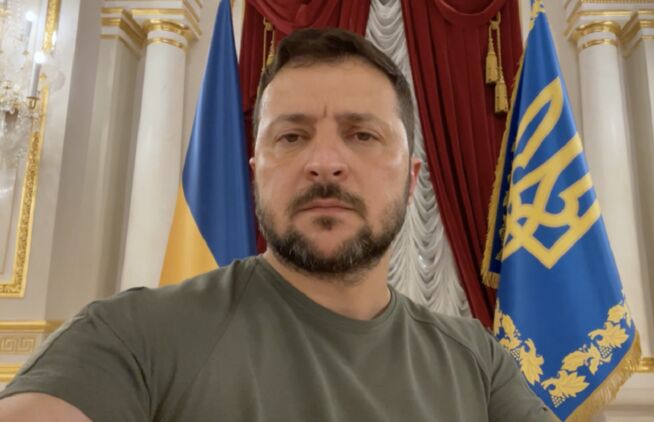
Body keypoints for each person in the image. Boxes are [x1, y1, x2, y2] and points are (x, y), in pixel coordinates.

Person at [0, 28, 553, 422]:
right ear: (256, 174)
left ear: (411, 180)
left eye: (362, 135)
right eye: (291, 136)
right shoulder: (131, 337)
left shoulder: (478, 362)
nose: (325, 163)